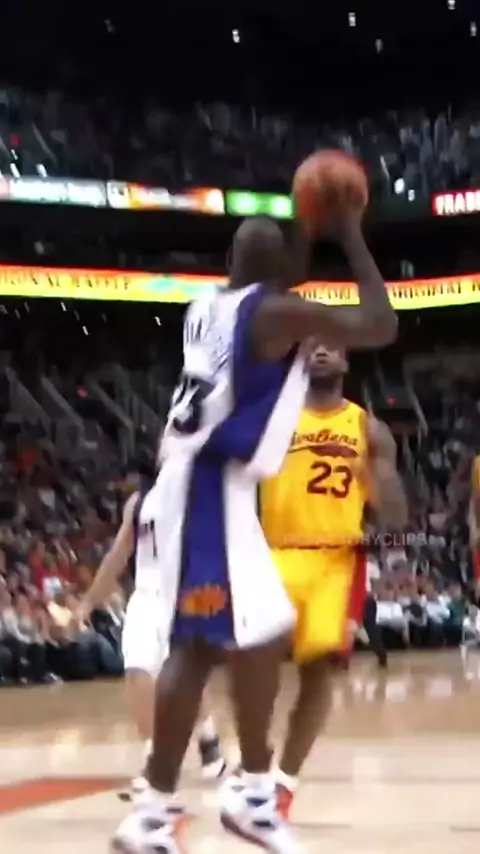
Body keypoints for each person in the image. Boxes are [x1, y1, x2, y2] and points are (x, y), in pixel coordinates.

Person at [112, 195, 398, 854]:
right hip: (210, 487)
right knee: (196, 647)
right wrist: (349, 234)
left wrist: (306, 234)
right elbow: (381, 324)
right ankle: (158, 814)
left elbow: (275, 280)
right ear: (280, 274)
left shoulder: (208, 306)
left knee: (265, 630)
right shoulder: (272, 313)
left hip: (210, 484)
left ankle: (249, 792)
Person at [225, 342, 405, 820]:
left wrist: (377, 482)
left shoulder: (368, 428)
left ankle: (284, 782)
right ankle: (254, 761)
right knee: (251, 658)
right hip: (275, 551)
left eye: (332, 346)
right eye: (313, 345)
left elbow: (396, 515)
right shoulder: (271, 416)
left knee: (318, 667)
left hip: (337, 558)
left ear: (346, 361)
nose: (323, 351)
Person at [79, 487, 226, 799]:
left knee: (183, 676)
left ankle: (208, 735)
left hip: (186, 593)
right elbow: (118, 555)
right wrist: (89, 601)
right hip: (146, 594)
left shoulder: (200, 490)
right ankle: (153, 759)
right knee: (137, 669)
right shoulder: (139, 502)